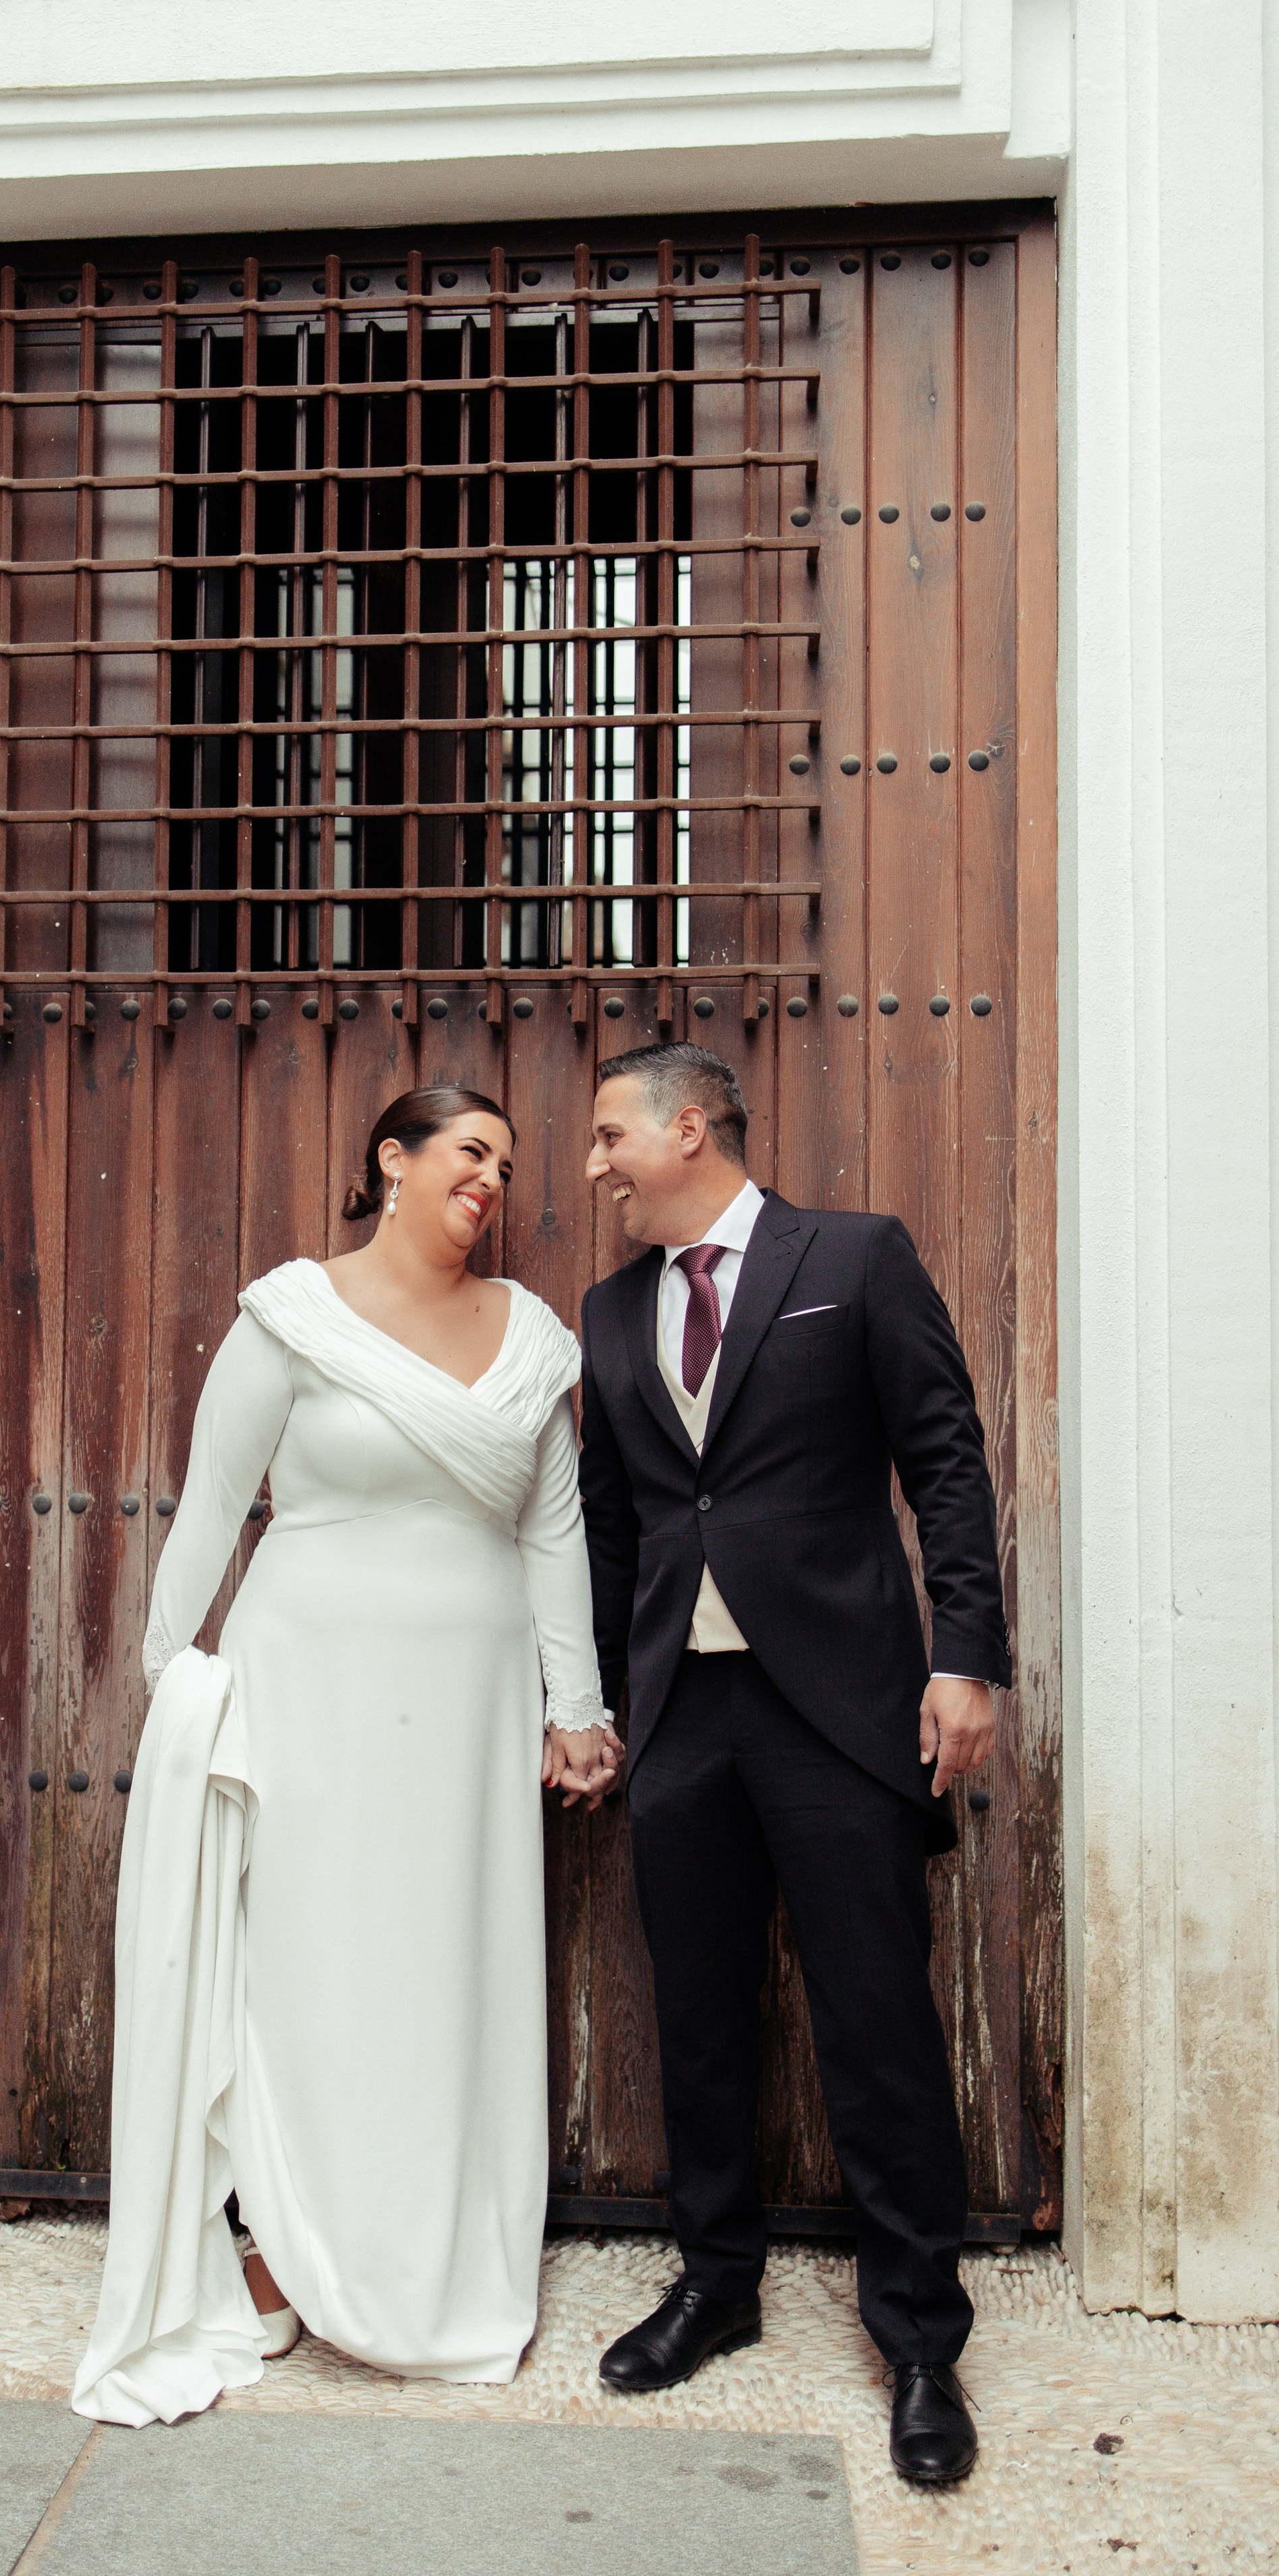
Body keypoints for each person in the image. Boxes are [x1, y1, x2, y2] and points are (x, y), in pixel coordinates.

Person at [74, 1084, 619, 2428]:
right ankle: (272, 2242)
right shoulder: (292, 1318)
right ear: (393, 1160)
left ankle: (432, 2258)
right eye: (469, 1152)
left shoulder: (531, 1338)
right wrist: (169, 1676)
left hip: (469, 1698)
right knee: (310, 1962)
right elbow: (213, 1502)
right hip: (308, 1682)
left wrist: (575, 1704)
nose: (490, 1180)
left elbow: (552, 1531)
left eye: (507, 1165)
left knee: (443, 1970)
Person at [577, 1042, 1008, 2487]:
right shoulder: (612, 1310)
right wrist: (601, 1703)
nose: (595, 1164)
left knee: (875, 2021)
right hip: (681, 1716)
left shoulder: (856, 1257)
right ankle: (718, 2285)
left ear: (689, 1128)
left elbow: (944, 1459)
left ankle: (921, 2340)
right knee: (697, 2017)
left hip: (837, 1705)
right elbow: (615, 1527)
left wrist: (965, 1657)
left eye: (610, 1136)